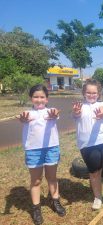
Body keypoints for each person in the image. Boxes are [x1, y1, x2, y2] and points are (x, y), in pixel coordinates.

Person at [17, 84, 66, 225]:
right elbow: (22, 119)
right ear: (31, 98)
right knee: (36, 180)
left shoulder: (50, 111)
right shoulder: (28, 113)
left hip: (52, 148)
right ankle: (36, 208)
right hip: (33, 150)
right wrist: (22, 119)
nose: (39, 100)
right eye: (35, 97)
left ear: (47, 98)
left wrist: (55, 113)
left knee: (52, 177)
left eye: (42, 97)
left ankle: (55, 201)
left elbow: (56, 113)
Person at [72, 79, 103, 210]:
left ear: (98, 93)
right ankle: (97, 197)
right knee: (94, 173)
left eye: (94, 93)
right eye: (88, 92)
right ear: (84, 93)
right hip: (88, 145)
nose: (91, 95)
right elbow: (76, 115)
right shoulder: (80, 107)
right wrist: (76, 112)